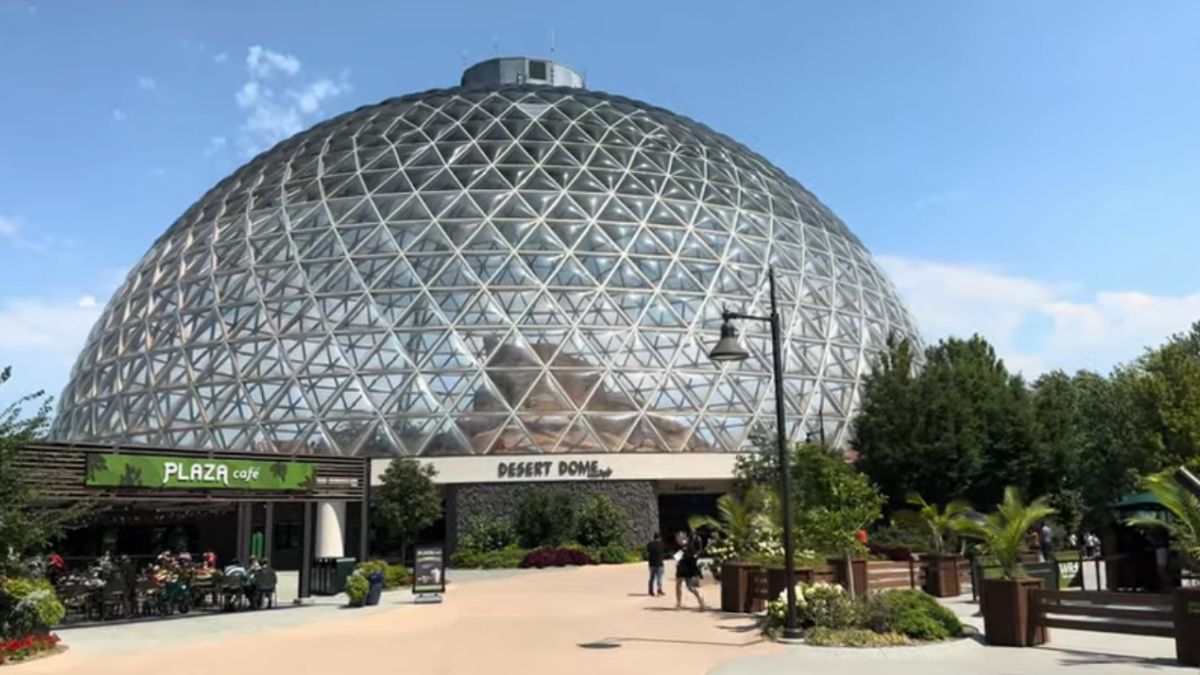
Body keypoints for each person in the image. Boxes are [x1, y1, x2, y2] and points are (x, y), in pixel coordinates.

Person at [674, 532, 705, 611]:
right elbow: (677, 557)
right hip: (681, 568)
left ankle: (700, 599)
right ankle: (679, 603)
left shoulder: (688, 546)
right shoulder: (681, 547)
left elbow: (692, 557)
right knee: (678, 585)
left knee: (690, 587)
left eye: (678, 538)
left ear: (682, 538)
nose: (677, 540)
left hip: (687, 569)